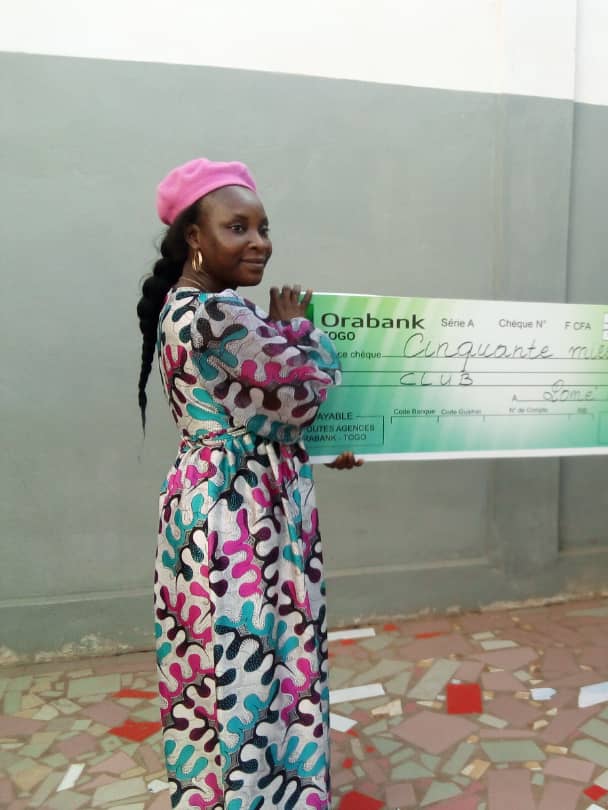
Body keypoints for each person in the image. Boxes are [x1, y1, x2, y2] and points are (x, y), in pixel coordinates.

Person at [136, 158, 360, 808]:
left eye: (263, 227)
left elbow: (259, 417)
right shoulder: (219, 316)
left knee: (219, 673)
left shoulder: (188, 309)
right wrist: (295, 329)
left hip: (222, 503)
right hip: (240, 523)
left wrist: (320, 449)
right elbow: (306, 391)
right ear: (194, 238)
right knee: (255, 671)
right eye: (238, 227)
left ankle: (226, 793)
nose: (260, 242)